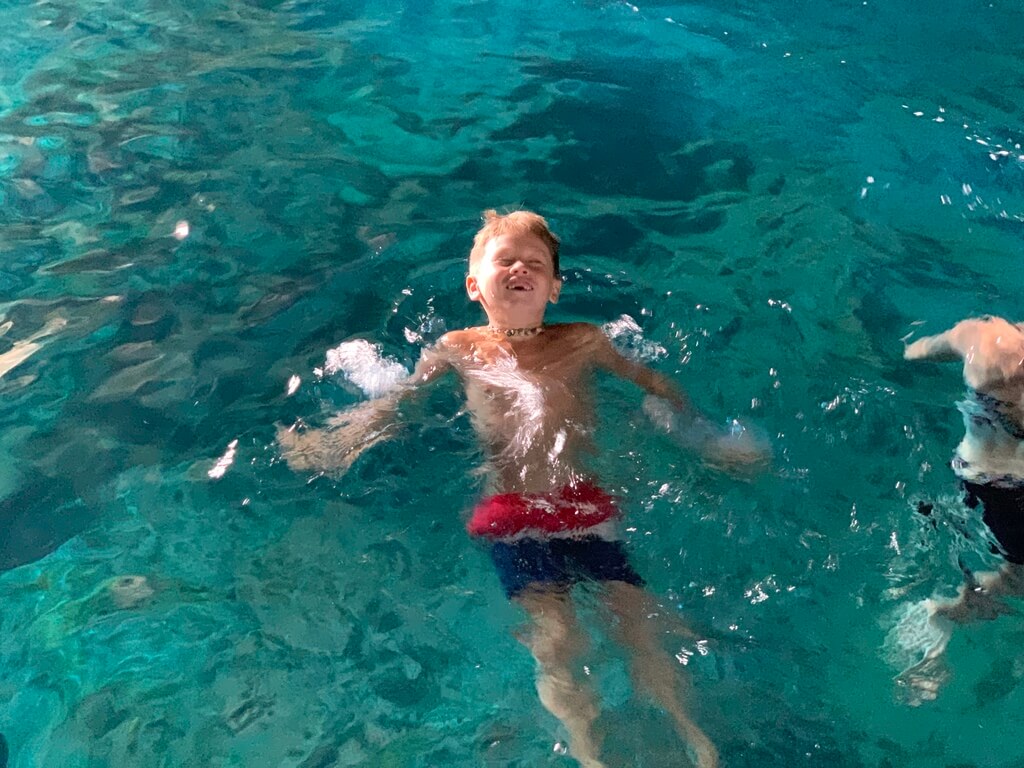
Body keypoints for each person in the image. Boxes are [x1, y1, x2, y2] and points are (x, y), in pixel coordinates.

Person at [278, 210, 765, 767]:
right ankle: (590, 755)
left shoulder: (583, 340)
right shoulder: (457, 347)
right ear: (473, 285)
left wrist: (703, 436)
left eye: (535, 263)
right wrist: (337, 442)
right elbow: (399, 402)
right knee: (557, 641)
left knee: (638, 624)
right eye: (505, 260)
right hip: (513, 515)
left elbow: (652, 382)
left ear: (555, 288)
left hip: (583, 505)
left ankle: (695, 740)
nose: (520, 269)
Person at [900, 315, 1024, 700]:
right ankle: (943, 614)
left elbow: (917, 351)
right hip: (1011, 496)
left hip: (973, 474)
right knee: (1015, 583)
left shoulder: (986, 338)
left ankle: (943, 609)